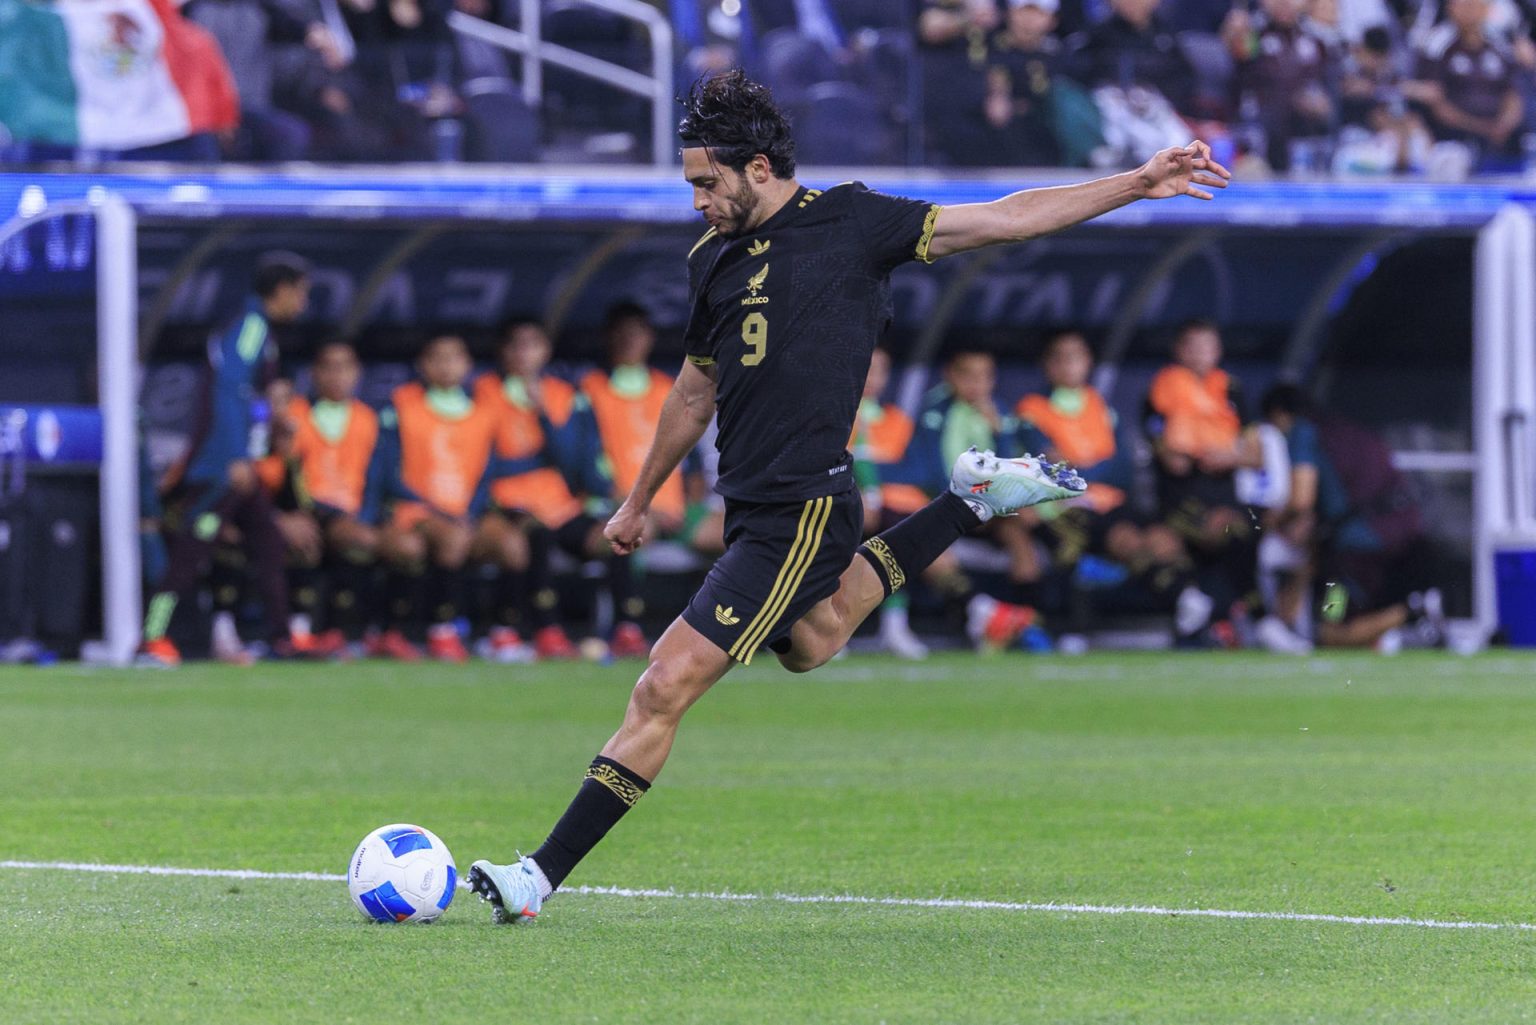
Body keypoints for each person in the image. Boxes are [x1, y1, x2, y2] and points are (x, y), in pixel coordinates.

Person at [464, 68, 1229, 924]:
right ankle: (967, 501)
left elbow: (1007, 216)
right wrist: (639, 497)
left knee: (662, 684)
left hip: (805, 507)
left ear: (759, 169)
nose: (697, 200)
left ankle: (537, 876)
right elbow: (691, 392)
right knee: (813, 640)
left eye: (706, 182)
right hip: (752, 507)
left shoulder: (854, 222)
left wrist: (1138, 182)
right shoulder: (710, 259)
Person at [138, 254, 322, 667]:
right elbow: (227, 389)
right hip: (221, 465)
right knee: (190, 553)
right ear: (283, 290)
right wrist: (236, 457)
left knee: (270, 543)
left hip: (241, 464)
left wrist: (272, 414)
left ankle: (280, 637)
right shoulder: (251, 326)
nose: (304, 302)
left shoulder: (258, 331)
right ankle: (151, 637)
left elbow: (246, 393)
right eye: (302, 292)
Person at [474, 318, 650, 661]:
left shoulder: (561, 395)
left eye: (533, 344)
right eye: (517, 345)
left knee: (615, 537)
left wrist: (541, 412)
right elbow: (485, 459)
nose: (525, 354)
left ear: (546, 351)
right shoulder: (484, 392)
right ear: (504, 351)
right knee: (535, 534)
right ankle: (547, 629)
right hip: (510, 503)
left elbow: (570, 461)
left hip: (558, 504)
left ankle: (628, 628)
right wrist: (534, 463)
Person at [1017, 330, 1205, 645]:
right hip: (1066, 508)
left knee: (1164, 538)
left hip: (1110, 503)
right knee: (1124, 540)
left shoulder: (1103, 408)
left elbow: (1121, 470)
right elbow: (1053, 469)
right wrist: (1094, 467)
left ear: (1088, 362)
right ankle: (1183, 601)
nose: (1068, 365)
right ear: (1046, 365)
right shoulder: (1032, 410)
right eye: (1060, 358)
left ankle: (1189, 614)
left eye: (1075, 356)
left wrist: (1080, 465)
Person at [887, 349, 1050, 651]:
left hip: (987, 510)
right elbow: (929, 472)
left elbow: (1009, 468)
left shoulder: (999, 413)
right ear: (950, 376)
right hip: (947, 507)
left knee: (1020, 537)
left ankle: (1028, 625)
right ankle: (978, 621)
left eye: (984, 377)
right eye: (968, 376)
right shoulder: (933, 413)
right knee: (926, 543)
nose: (976, 384)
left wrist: (999, 432)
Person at [365, 335, 501, 663]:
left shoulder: (484, 413)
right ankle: (441, 630)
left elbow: (487, 473)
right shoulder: (402, 405)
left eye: (454, 357)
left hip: (463, 514)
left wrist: (471, 510)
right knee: (448, 540)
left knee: (512, 545)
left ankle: (506, 631)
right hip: (416, 510)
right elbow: (388, 472)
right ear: (422, 365)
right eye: (437, 358)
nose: (446, 365)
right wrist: (438, 510)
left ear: (467, 365)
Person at [262, 342, 380, 656]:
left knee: (361, 539)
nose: (336, 375)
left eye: (345, 367)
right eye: (328, 367)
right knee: (305, 540)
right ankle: (301, 630)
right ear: (313, 373)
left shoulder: (368, 419)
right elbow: (281, 476)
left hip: (351, 514)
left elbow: (377, 478)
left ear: (357, 373)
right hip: (306, 508)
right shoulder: (294, 414)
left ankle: (348, 629)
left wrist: (367, 515)